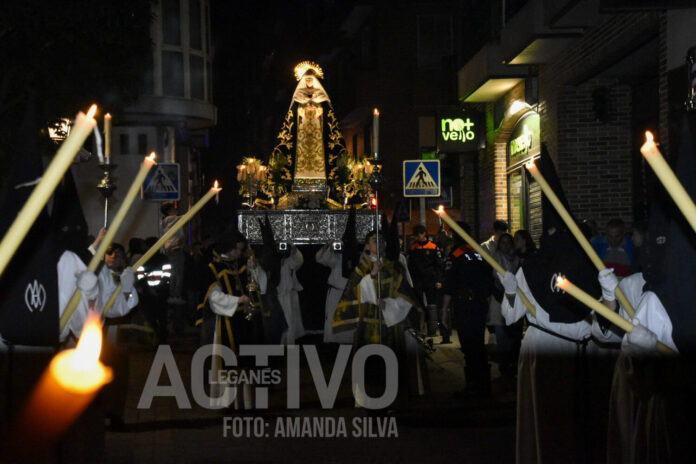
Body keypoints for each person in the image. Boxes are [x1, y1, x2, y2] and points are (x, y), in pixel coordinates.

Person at [499, 146, 604, 463]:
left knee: (585, 425)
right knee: (550, 423)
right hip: (546, 352)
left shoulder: (590, 268)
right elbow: (511, 315)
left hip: (583, 353)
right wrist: (510, 291)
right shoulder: (531, 269)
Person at [334, 231, 419, 406]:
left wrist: (389, 303)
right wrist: (371, 276)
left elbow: (407, 296)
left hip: (391, 327)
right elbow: (351, 293)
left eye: (382, 241)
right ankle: (370, 402)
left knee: (391, 366)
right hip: (368, 328)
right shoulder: (361, 269)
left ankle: (393, 401)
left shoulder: (395, 268)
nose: (379, 244)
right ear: (367, 245)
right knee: (370, 367)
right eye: (374, 241)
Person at [196, 231, 265, 409]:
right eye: (237, 250)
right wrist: (237, 300)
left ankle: (247, 402)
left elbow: (258, 287)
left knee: (246, 362)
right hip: (227, 320)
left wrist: (254, 270)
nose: (239, 254)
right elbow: (214, 298)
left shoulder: (243, 265)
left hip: (245, 319)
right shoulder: (214, 267)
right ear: (228, 247)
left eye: (241, 250)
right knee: (229, 362)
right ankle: (228, 402)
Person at [270, 61, 349, 206]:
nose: (308, 82)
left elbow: (330, 125)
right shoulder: (297, 100)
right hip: (301, 137)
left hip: (319, 139)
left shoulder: (323, 100)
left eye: (311, 80)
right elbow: (289, 126)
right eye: (306, 80)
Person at [441, 221, 494, 397]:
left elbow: (450, 283)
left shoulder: (455, 254)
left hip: (464, 305)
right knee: (479, 344)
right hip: (480, 304)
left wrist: (444, 310)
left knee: (469, 346)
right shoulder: (478, 252)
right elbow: (489, 278)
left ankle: (472, 386)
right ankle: (484, 385)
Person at [487, 232, 520, 384]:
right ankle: (504, 366)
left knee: (513, 333)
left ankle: (511, 365)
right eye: (503, 243)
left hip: (514, 298)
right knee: (501, 332)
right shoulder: (495, 258)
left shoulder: (516, 259)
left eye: (508, 242)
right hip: (499, 297)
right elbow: (495, 276)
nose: (505, 246)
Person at [408, 224, 443, 336]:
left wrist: (438, 280)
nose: (417, 237)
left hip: (430, 280)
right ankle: (420, 328)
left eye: (418, 234)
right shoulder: (413, 247)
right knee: (418, 304)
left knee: (432, 305)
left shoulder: (433, 247)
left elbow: (439, 265)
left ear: (424, 234)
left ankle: (432, 329)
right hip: (418, 280)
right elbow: (410, 266)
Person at [316, 243, 352, 343]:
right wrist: (329, 246)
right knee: (332, 318)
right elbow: (321, 259)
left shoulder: (354, 254)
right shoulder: (336, 256)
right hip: (336, 291)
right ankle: (332, 342)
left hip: (349, 293)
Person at [160, 201, 187, 333]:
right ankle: (175, 294)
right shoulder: (172, 219)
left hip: (170, 250)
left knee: (174, 273)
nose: (176, 211)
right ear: (169, 211)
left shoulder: (164, 222)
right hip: (175, 250)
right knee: (177, 274)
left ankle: (174, 293)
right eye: (174, 209)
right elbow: (186, 216)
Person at [277, 245, 305, 344]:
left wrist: (293, 249)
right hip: (278, 294)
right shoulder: (273, 258)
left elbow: (298, 262)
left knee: (290, 320)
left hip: (289, 293)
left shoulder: (289, 260)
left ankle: (289, 343)